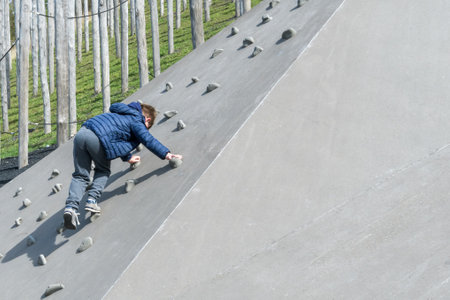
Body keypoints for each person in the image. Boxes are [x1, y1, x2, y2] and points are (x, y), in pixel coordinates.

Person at [63, 101, 182, 230]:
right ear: (147, 119)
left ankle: (70, 208)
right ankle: (91, 201)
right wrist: (167, 154)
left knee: (80, 175)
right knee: (102, 171)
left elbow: (115, 138)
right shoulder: (137, 120)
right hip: (97, 140)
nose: (145, 129)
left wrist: (128, 157)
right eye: (147, 126)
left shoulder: (119, 112)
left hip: (82, 134)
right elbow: (148, 140)